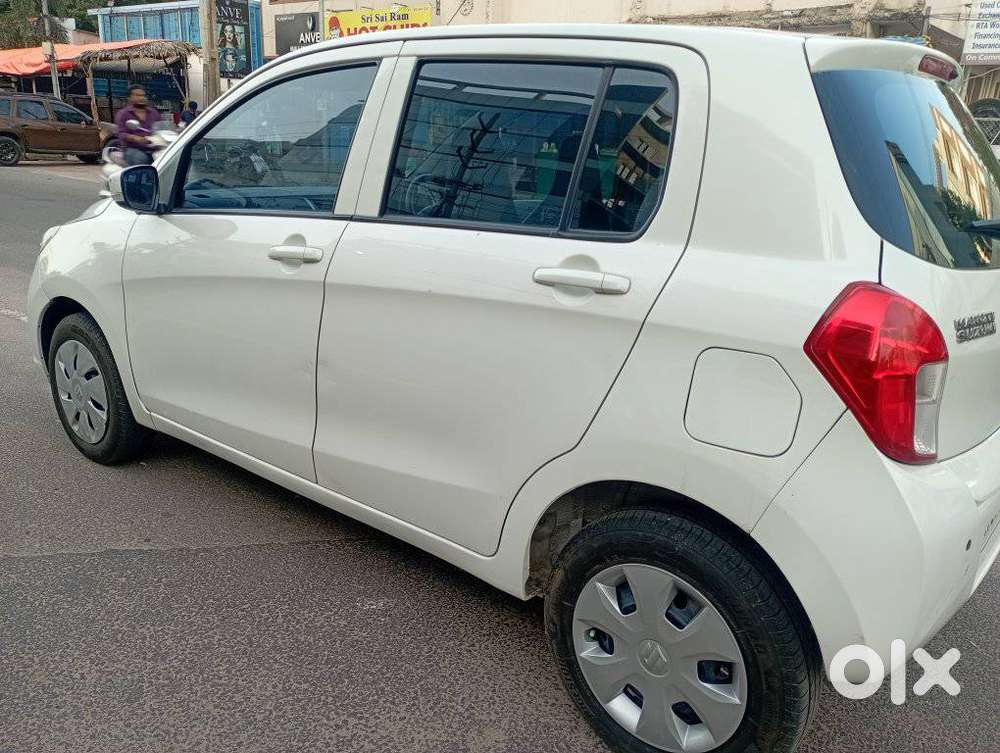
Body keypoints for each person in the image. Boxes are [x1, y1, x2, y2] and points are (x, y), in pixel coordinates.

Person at [114, 84, 160, 166]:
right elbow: (121, 134)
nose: (141, 98)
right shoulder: (124, 114)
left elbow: (161, 127)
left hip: (154, 147)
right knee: (142, 159)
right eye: (137, 95)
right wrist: (136, 138)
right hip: (132, 148)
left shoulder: (153, 113)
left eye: (143, 95)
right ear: (129, 98)